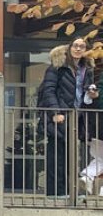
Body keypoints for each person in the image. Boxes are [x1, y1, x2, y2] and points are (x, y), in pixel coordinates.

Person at [38, 37, 101, 196]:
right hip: (60, 116)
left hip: (77, 117)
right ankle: (56, 192)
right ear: (69, 47)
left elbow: (85, 93)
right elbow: (49, 91)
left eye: (82, 46)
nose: (78, 49)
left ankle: (68, 192)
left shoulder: (86, 68)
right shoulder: (57, 67)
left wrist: (92, 95)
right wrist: (55, 112)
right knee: (57, 155)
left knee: (70, 156)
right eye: (75, 46)